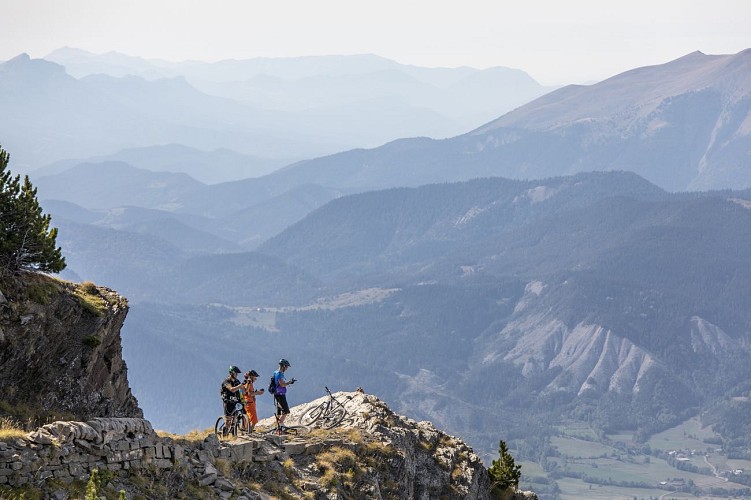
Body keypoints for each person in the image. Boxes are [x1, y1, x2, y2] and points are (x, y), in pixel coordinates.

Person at [273, 358, 296, 434]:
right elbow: (282, 384)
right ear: (283, 366)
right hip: (280, 394)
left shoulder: (276, 372)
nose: (287, 368)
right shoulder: (279, 373)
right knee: (285, 411)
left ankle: (278, 427)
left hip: (277, 393)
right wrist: (289, 382)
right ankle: (280, 426)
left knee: (279, 411)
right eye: (286, 367)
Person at [220, 365, 244, 432]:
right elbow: (232, 389)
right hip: (228, 402)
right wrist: (240, 386)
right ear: (231, 373)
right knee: (228, 421)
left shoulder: (237, 381)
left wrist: (245, 385)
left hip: (235, 401)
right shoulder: (226, 381)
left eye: (237, 373)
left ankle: (233, 431)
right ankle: (224, 433)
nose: (237, 375)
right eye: (236, 373)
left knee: (235, 417)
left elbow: (243, 390)